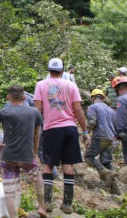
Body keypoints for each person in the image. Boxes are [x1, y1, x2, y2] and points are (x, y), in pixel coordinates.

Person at [0, 85, 48, 218]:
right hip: (27, 156)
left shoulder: (3, 111)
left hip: (8, 157)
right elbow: (37, 135)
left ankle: (13, 216)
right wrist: (35, 153)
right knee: (37, 178)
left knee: (10, 192)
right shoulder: (34, 112)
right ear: (24, 98)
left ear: (8, 97)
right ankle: (42, 206)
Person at [33, 58, 89, 214]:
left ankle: (47, 203)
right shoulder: (71, 85)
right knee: (68, 164)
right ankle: (67, 204)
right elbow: (78, 109)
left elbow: (37, 110)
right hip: (70, 128)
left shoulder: (41, 85)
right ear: (63, 71)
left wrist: (35, 131)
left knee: (48, 164)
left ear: (48, 70)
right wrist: (85, 131)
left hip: (51, 129)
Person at [84, 88, 118, 193]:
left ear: (92, 98)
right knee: (106, 161)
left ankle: (105, 172)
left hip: (100, 136)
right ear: (103, 98)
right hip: (110, 138)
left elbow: (92, 122)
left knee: (88, 157)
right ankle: (115, 189)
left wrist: (86, 134)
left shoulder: (92, 107)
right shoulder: (111, 110)